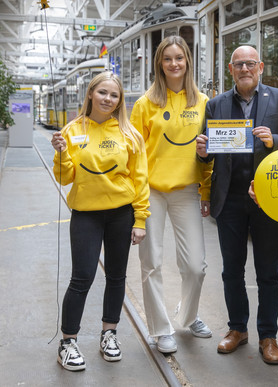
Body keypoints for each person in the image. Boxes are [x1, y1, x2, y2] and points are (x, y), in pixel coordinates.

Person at [196, 45, 278, 365]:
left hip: (267, 196)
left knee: (269, 272)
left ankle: (268, 335)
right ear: (231, 69)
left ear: (260, 66)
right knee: (231, 270)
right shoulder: (216, 104)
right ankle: (238, 329)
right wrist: (202, 149)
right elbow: (206, 152)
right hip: (231, 199)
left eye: (250, 63)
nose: (245, 69)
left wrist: (273, 140)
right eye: (239, 65)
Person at [51, 71, 150, 371]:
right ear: (91, 94)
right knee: (82, 277)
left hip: (122, 214)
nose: (108, 99)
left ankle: (109, 334)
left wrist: (140, 219)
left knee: (117, 276)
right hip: (86, 214)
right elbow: (65, 177)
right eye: (103, 93)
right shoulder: (71, 130)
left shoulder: (129, 134)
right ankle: (68, 342)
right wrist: (61, 154)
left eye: (114, 95)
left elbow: (140, 179)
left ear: (120, 101)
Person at [130, 35, 212, 354]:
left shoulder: (203, 102)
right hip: (150, 191)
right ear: (159, 64)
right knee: (151, 261)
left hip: (187, 190)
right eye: (168, 59)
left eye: (179, 58)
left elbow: (208, 153)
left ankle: (188, 317)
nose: (174, 63)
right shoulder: (144, 104)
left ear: (187, 61)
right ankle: (160, 328)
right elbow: (136, 156)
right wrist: (136, 199)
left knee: (195, 265)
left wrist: (205, 190)